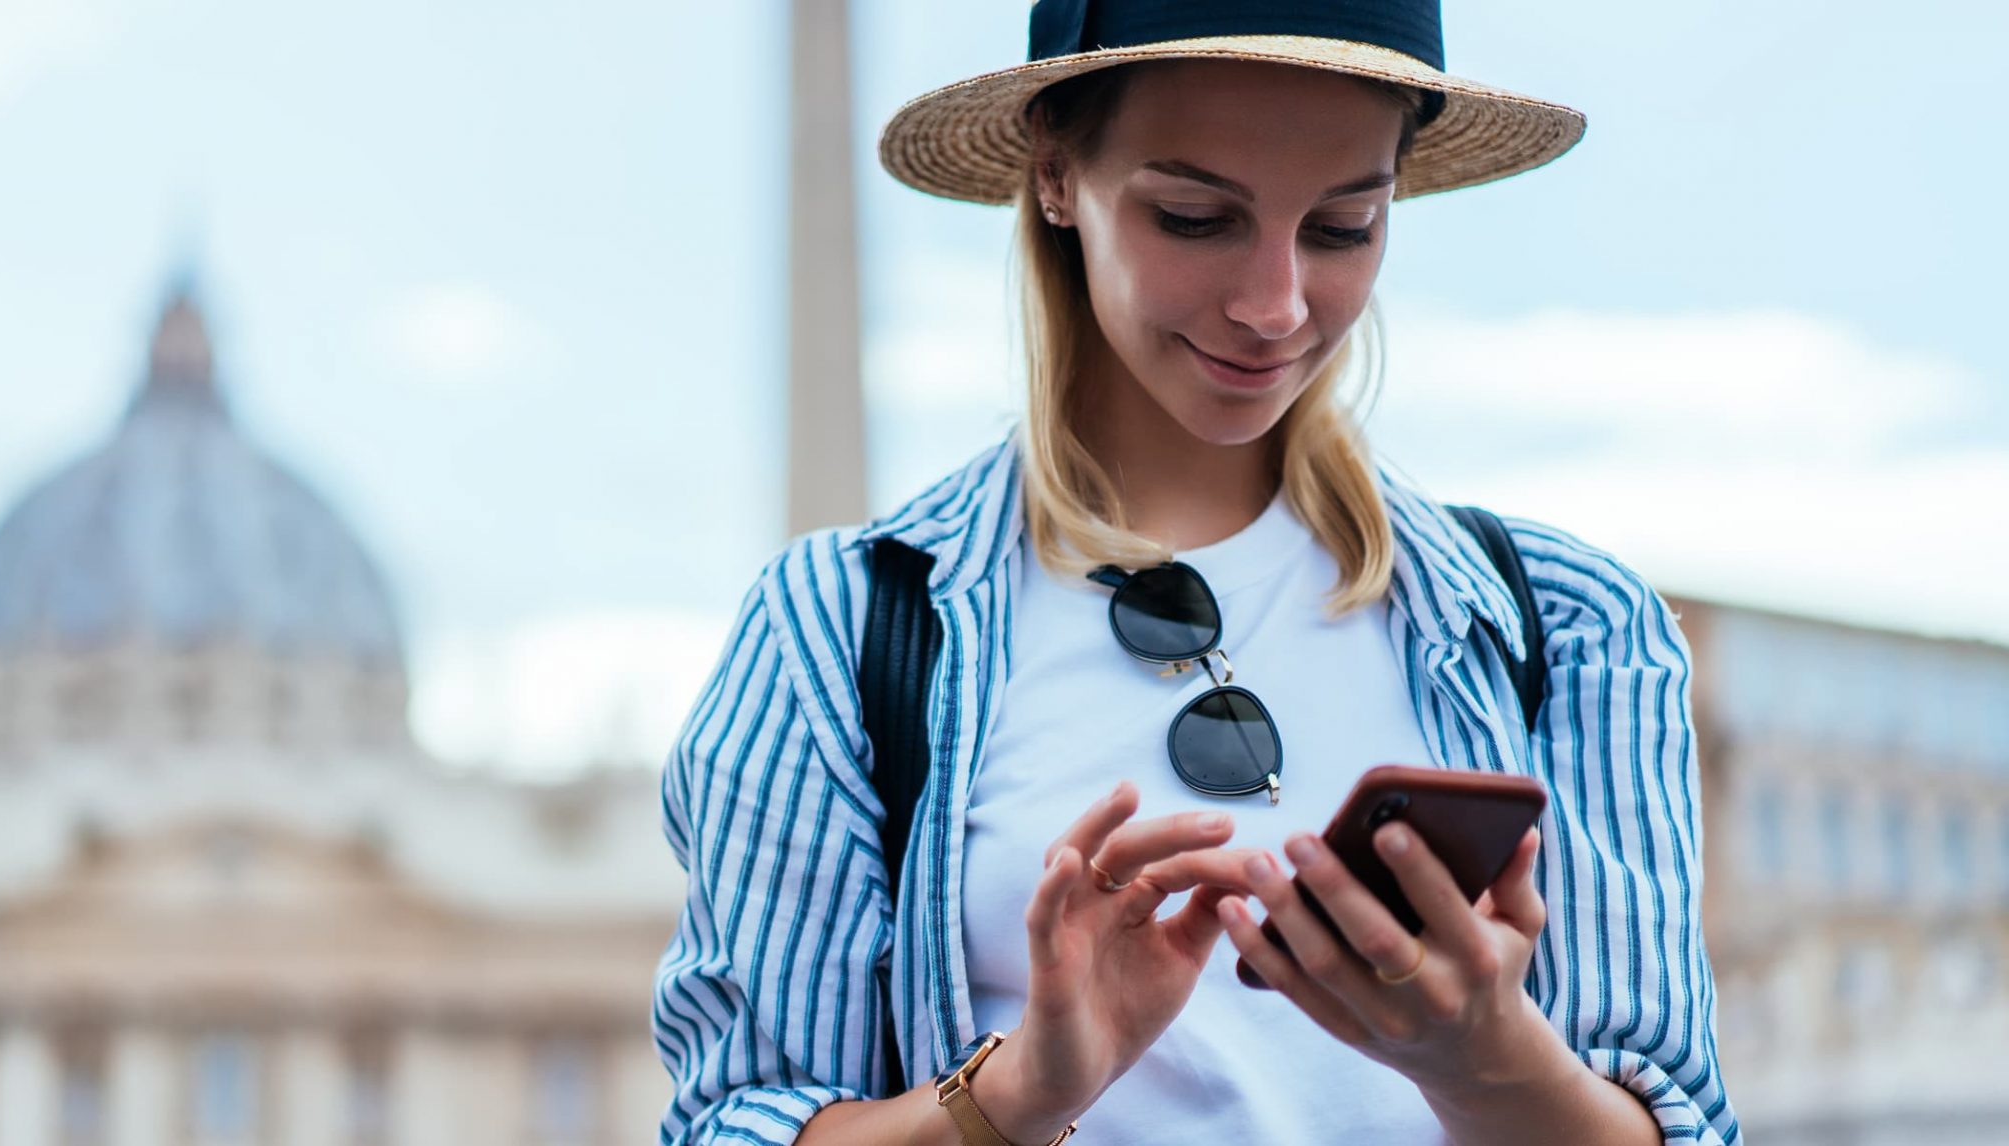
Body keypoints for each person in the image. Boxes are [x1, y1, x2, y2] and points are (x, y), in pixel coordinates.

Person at [652, 2, 1737, 1144]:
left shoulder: (1571, 626)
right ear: (1057, 177)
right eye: (1194, 217)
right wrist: (1020, 1092)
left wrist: (1479, 1061)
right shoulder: (837, 631)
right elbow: (737, 1121)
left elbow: (1681, 1121)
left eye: (1342, 227)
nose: (1273, 305)